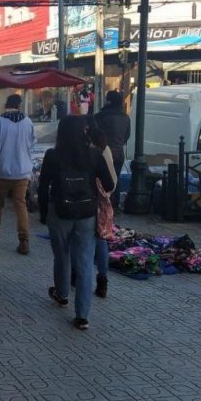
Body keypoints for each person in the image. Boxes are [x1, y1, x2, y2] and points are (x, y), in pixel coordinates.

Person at [37, 115, 115, 331]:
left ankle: (62, 294)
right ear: (84, 132)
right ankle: (82, 315)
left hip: (59, 212)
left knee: (61, 255)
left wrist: (43, 213)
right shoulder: (94, 155)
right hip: (86, 214)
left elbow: (43, 187)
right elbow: (109, 184)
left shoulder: (52, 155)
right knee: (85, 262)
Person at [0, 93, 36, 255]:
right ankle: (24, 241)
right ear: (19, 106)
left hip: (1, 171)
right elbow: (32, 144)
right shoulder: (28, 122)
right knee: (20, 205)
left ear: (6, 105)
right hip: (22, 172)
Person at [85, 117, 117, 298]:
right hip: (105, 201)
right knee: (101, 240)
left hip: (92, 200)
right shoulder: (106, 148)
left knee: (84, 241)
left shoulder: (91, 152)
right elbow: (112, 181)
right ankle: (103, 278)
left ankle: (77, 275)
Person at [94, 90, 130, 210]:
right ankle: (115, 205)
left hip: (103, 152)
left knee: (101, 180)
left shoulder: (100, 116)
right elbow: (126, 136)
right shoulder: (125, 117)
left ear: (109, 101)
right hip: (119, 153)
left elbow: (95, 134)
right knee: (116, 178)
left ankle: (104, 205)